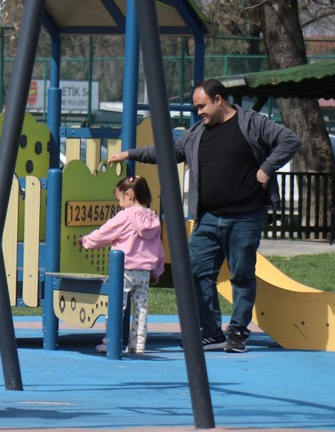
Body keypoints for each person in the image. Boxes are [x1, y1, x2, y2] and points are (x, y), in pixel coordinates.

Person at [108, 78, 300, 353]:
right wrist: (130, 153)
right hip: (208, 216)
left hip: (245, 216)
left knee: (242, 275)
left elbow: (289, 139)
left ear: (219, 99)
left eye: (202, 106)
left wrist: (267, 168)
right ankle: (211, 331)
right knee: (196, 270)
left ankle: (237, 333)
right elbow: (167, 151)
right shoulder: (197, 133)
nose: (199, 112)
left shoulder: (252, 123)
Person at [78, 176, 165, 354]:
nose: (119, 203)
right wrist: (157, 270)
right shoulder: (152, 218)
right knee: (141, 308)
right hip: (144, 271)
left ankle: (111, 342)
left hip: (123, 270)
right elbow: (159, 247)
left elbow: (105, 232)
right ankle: (137, 345)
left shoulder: (125, 216)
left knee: (116, 306)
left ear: (129, 195)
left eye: (119, 199)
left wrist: (86, 241)